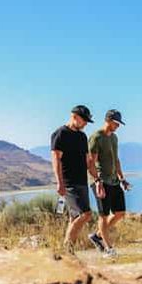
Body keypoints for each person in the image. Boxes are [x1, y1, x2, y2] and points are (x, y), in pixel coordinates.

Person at [51, 105, 101, 252]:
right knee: (86, 214)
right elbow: (56, 159)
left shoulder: (82, 136)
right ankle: (67, 248)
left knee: (74, 218)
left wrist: (97, 180)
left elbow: (88, 162)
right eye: (84, 120)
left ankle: (68, 253)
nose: (85, 123)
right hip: (69, 183)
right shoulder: (60, 134)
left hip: (82, 182)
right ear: (74, 116)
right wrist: (60, 183)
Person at [87, 109, 130, 257]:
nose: (118, 126)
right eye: (116, 123)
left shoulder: (114, 138)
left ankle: (97, 236)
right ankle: (108, 248)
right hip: (101, 182)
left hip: (114, 181)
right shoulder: (96, 137)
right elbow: (90, 162)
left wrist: (122, 178)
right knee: (103, 216)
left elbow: (116, 160)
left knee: (120, 213)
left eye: (119, 124)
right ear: (108, 120)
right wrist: (97, 181)